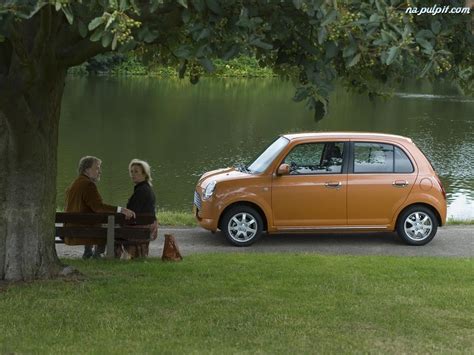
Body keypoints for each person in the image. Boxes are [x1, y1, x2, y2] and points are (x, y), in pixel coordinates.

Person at [65, 156, 135, 259]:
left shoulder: (74, 184)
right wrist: (121, 210)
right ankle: (98, 255)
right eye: (97, 168)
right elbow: (99, 207)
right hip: (81, 231)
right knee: (111, 228)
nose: (100, 171)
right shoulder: (88, 185)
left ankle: (88, 253)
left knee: (97, 223)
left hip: (70, 230)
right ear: (87, 170)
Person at [116, 159, 158, 259]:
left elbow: (131, 213)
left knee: (113, 229)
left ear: (144, 174)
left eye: (136, 171)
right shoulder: (146, 189)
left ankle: (115, 255)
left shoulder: (141, 191)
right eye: (131, 171)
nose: (133, 174)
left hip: (140, 228)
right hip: (146, 226)